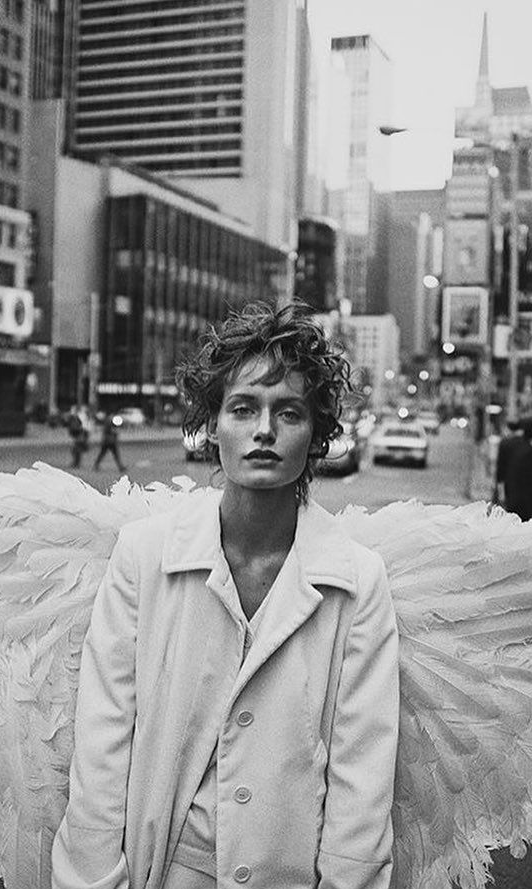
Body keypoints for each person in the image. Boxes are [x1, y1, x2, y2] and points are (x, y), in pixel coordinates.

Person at [52, 302, 400, 889]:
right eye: (243, 408)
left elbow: (362, 773)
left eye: (288, 412)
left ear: (317, 434)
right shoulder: (144, 555)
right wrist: (92, 878)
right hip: (162, 867)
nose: (264, 430)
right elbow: (103, 735)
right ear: (213, 426)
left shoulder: (357, 581)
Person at [494, 417, 532, 523]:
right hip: (526, 500)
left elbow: (501, 472)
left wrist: (501, 492)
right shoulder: (531, 450)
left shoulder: (508, 444)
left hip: (511, 495)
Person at [67, 404, 89, 469]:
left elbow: (79, 426)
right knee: (75, 450)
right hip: (78, 435)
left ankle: (76, 463)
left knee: (76, 450)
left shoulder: (79, 417)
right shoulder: (76, 417)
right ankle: (76, 463)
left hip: (79, 435)